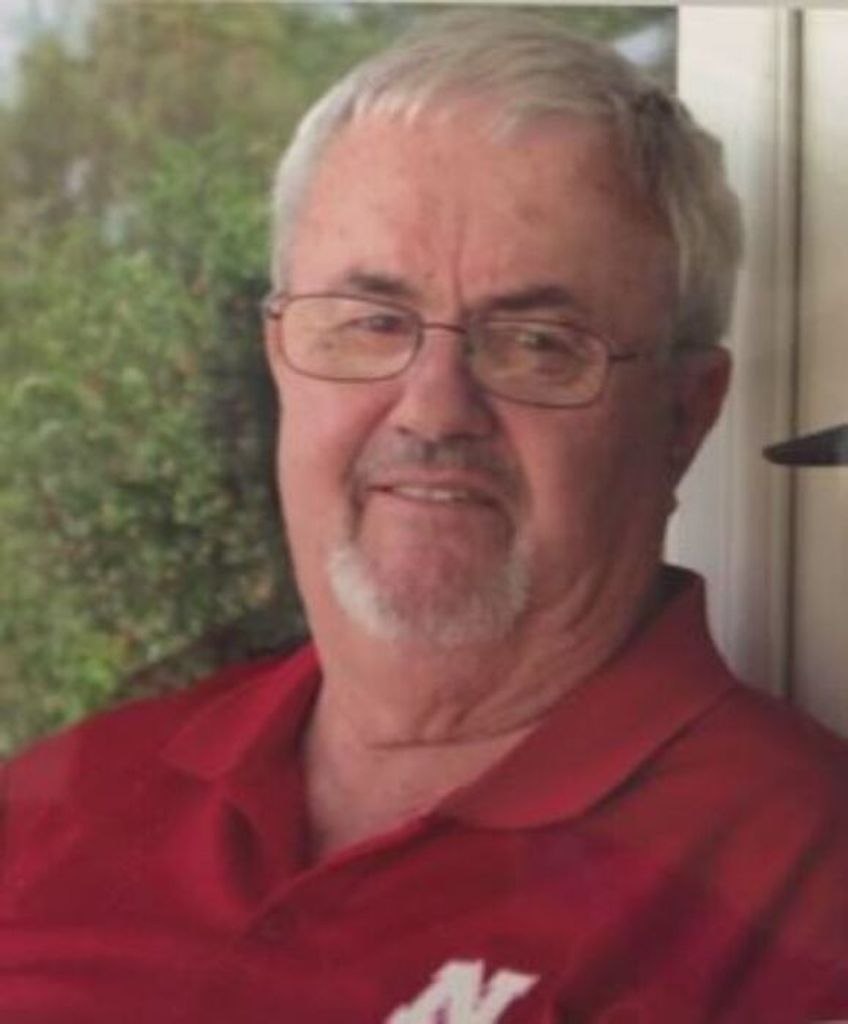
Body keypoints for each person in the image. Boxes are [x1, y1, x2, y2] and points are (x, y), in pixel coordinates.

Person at [2, 11, 847, 1023]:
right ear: (280, 358)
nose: (434, 409)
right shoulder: (67, 800)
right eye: (369, 323)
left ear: (682, 416)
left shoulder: (797, 895)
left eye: (536, 341)